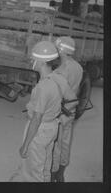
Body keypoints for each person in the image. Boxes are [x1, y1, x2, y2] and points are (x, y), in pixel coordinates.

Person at [19, 41, 76, 182]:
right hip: (52, 128)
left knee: (32, 173)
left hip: (39, 130)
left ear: (42, 62)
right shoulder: (58, 78)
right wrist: (61, 116)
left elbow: (36, 119)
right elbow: (74, 100)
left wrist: (25, 145)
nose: (32, 61)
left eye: (34, 59)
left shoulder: (43, 87)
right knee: (45, 167)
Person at [51, 36, 83, 182]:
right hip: (70, 113)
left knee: (55, 145)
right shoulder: (78, 67)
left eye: (57, 48)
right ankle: (61, 175)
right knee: (65, 142)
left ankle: (53, 175)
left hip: (60, 112)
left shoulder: (61, 70)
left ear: (61, 50)